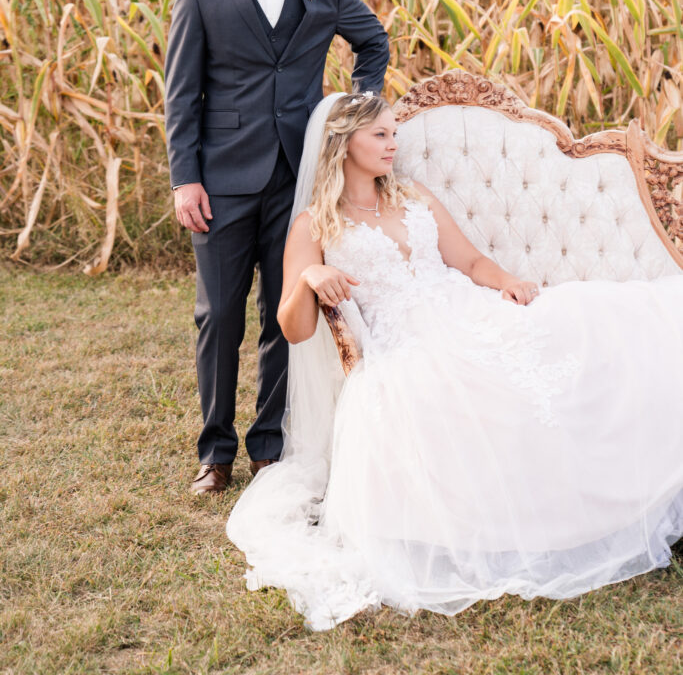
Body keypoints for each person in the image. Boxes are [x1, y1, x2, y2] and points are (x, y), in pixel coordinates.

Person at [226, 93, 683, 630]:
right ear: (342, 142)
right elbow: (294, 328)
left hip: (471, 310)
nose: (393, 143)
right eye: (380, 135)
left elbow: (467, 259)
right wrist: (307, 278)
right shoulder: (314, 226)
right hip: (408, 346)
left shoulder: (413, 195)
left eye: (395, 132)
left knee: (597, 330)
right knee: (482, 396)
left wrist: (508, 282)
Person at [164, 0, 389, 495]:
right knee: (218, 316)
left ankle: (268, 449)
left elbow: (371, 42)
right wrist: (187, 178)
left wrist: (350, 109)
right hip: (222, 176)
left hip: (299, 176)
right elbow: (181, 94)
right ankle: (215, 453)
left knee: (282, 313)